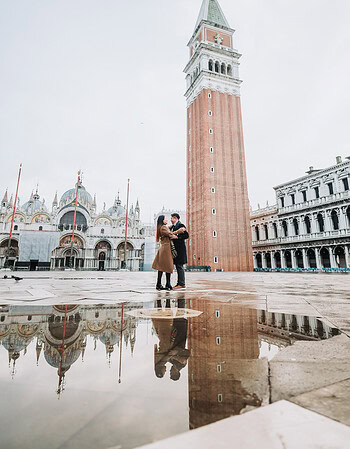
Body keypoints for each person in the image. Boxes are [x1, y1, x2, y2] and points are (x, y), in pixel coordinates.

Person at [152, 215, 184, 291]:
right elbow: (169, 234)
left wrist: (173, 225)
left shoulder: (162, 227)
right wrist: (179, 231)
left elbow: (168, 229)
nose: (167, 220)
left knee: (162, 267)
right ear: (162, 220)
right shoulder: (163, 227)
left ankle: (159, 284)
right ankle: (167, 284)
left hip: (164, 248)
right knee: (167, 266)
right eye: (165, 219)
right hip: (166, 248)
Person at [170, 213, 189, 289]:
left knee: (180, 266)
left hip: (180, 250)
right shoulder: (173, 226)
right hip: (176, 250)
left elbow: (186, 235)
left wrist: (177, 237)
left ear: (175, 218)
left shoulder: (180, 225)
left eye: (172, 218)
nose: (171, 220)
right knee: (178, 266)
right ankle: (179, 283)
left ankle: (181, 283)